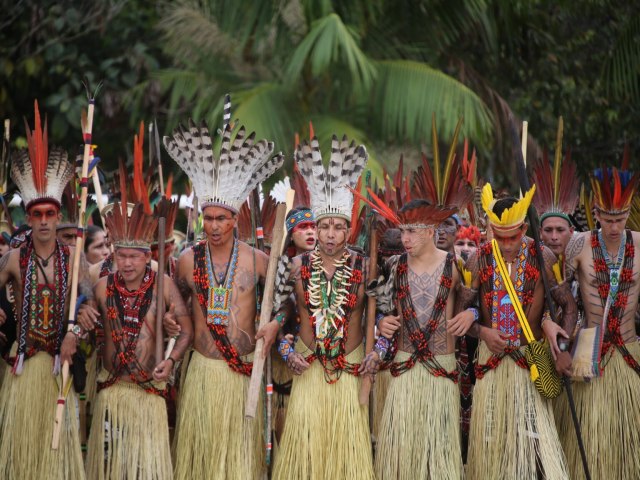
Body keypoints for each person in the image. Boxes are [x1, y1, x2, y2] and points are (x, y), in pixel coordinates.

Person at [163, 106, 284, 479]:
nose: (213, 226)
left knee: (237, 465)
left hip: (242, 373)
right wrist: (172, 317)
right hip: (201, 370)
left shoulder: (259, 260)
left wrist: (276, 324)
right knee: (199, 463)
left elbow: (287, 300)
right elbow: (175, 300)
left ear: (235, 219)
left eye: (221, 219)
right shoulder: (186, 260)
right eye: (208, 218)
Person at [263, 133, 375, 480]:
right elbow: (281, 318)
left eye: (337, 227)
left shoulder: (366, 267)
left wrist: (379, 350)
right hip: (307, 367)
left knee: (347, 460)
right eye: (323, 226)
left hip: (350, 368)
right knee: (305, 457)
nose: (328, 234)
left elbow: (384, 320)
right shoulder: (294, 267)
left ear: (348, 231)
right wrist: (284, 348)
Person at [450, 183, 577, 479]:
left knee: (533, 441)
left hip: (528, 363)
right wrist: (483, 333)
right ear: (491, 230)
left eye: (514, 237)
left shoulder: (541, 256)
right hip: (490, 365)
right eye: (501, 237)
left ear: (523, 230)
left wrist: (563, 347)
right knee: (492, 441)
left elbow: (569, 307)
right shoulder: (479, 258)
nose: (507, 245)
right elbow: (461, 317)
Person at [0, 101, 85, 478]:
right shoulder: (16, 258)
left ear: (59, 217)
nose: (46, 221)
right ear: (28, 217)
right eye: (38, 215)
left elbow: (89, 307)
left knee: (56, 458)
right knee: (22, 458)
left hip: (58, 369)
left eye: (51, 214)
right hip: (25, 367)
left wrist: (76, 332)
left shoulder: (74, 258)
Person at [85, 201, 192, 478]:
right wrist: (78, 325)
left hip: (149, 395)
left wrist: (171, 360)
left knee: (146, 471)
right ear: (115, 255)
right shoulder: (101, 287)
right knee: (111, 469)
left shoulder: (163, 285)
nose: (128, 263)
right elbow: (82, 321)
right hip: (112, 392)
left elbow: (187, 329)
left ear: (147, 257)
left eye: (134, 256)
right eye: (122, 256)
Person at [373, 197, 468, 479]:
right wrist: (382, 321)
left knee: (438, 451)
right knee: (403, 451)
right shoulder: (394, 265)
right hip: (404, 369)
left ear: (431, 230)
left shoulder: (457, 265)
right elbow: (381, 308)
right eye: (402, 231)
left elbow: (476, 305)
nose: (405, 238)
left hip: (442, 368)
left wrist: (471, 313)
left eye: (412, 231)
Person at [557, 164, 640, 479]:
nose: (615, 227)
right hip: (590, 351)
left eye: (620, 218)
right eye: (608, 219)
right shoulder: (578, 244)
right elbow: (560, 297)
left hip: (630, 352)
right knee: (588, 439)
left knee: (627, 436)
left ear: (628, 212)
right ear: (597, 213)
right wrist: (561, 340)